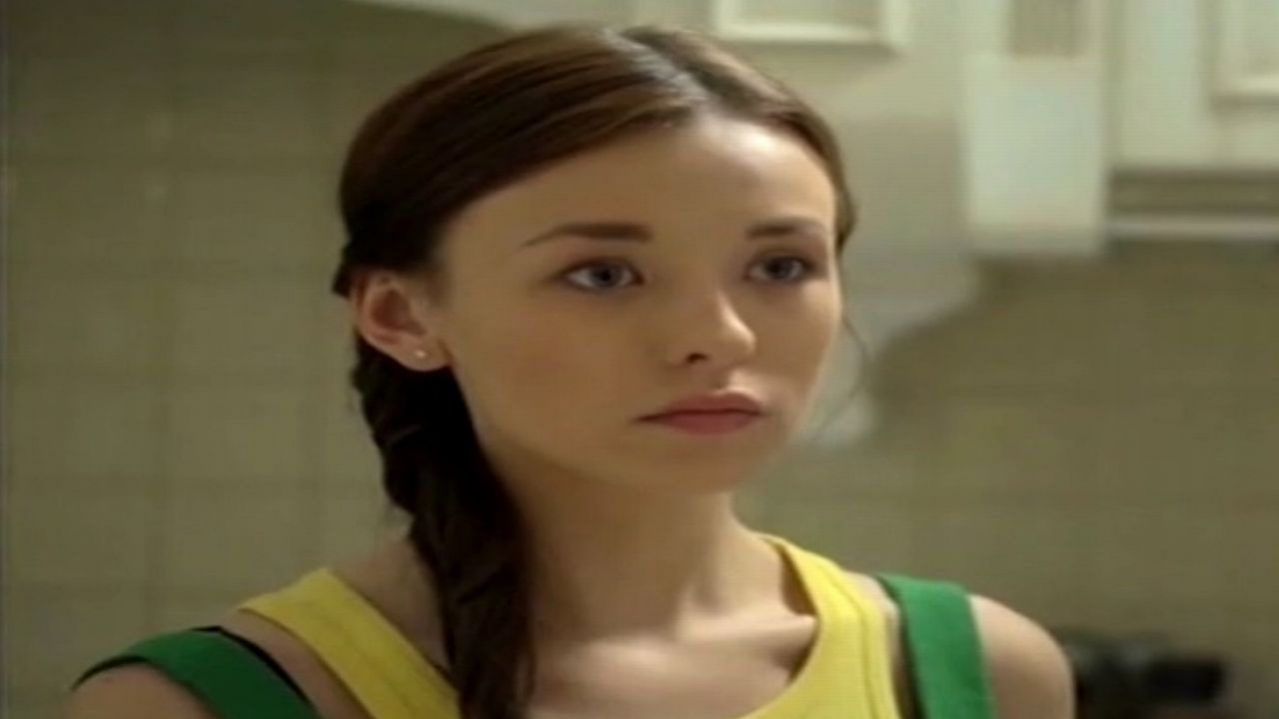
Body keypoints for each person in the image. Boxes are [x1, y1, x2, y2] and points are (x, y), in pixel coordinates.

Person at [65, 24, 1074, 719]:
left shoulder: (976, 677)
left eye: (779, 266)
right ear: (401, 315)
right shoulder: (197, 705)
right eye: (602, 273)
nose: (719, 336)